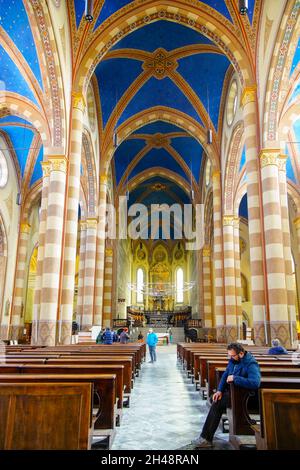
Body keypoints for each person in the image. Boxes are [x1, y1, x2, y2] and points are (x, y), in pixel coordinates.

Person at [192, 342, 261, 448]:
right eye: (229, 355)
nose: (231, 357)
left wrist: (235, 378)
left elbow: (255, 383)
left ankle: (206, 438)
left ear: (241, 353)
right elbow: (225, 374)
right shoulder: (233, 360)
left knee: (217, 403)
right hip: (234, 393)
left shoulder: (251, 364)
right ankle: (206, 437)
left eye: (232, 355)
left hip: (245, 397)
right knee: (214, 398)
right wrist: (219, 390)